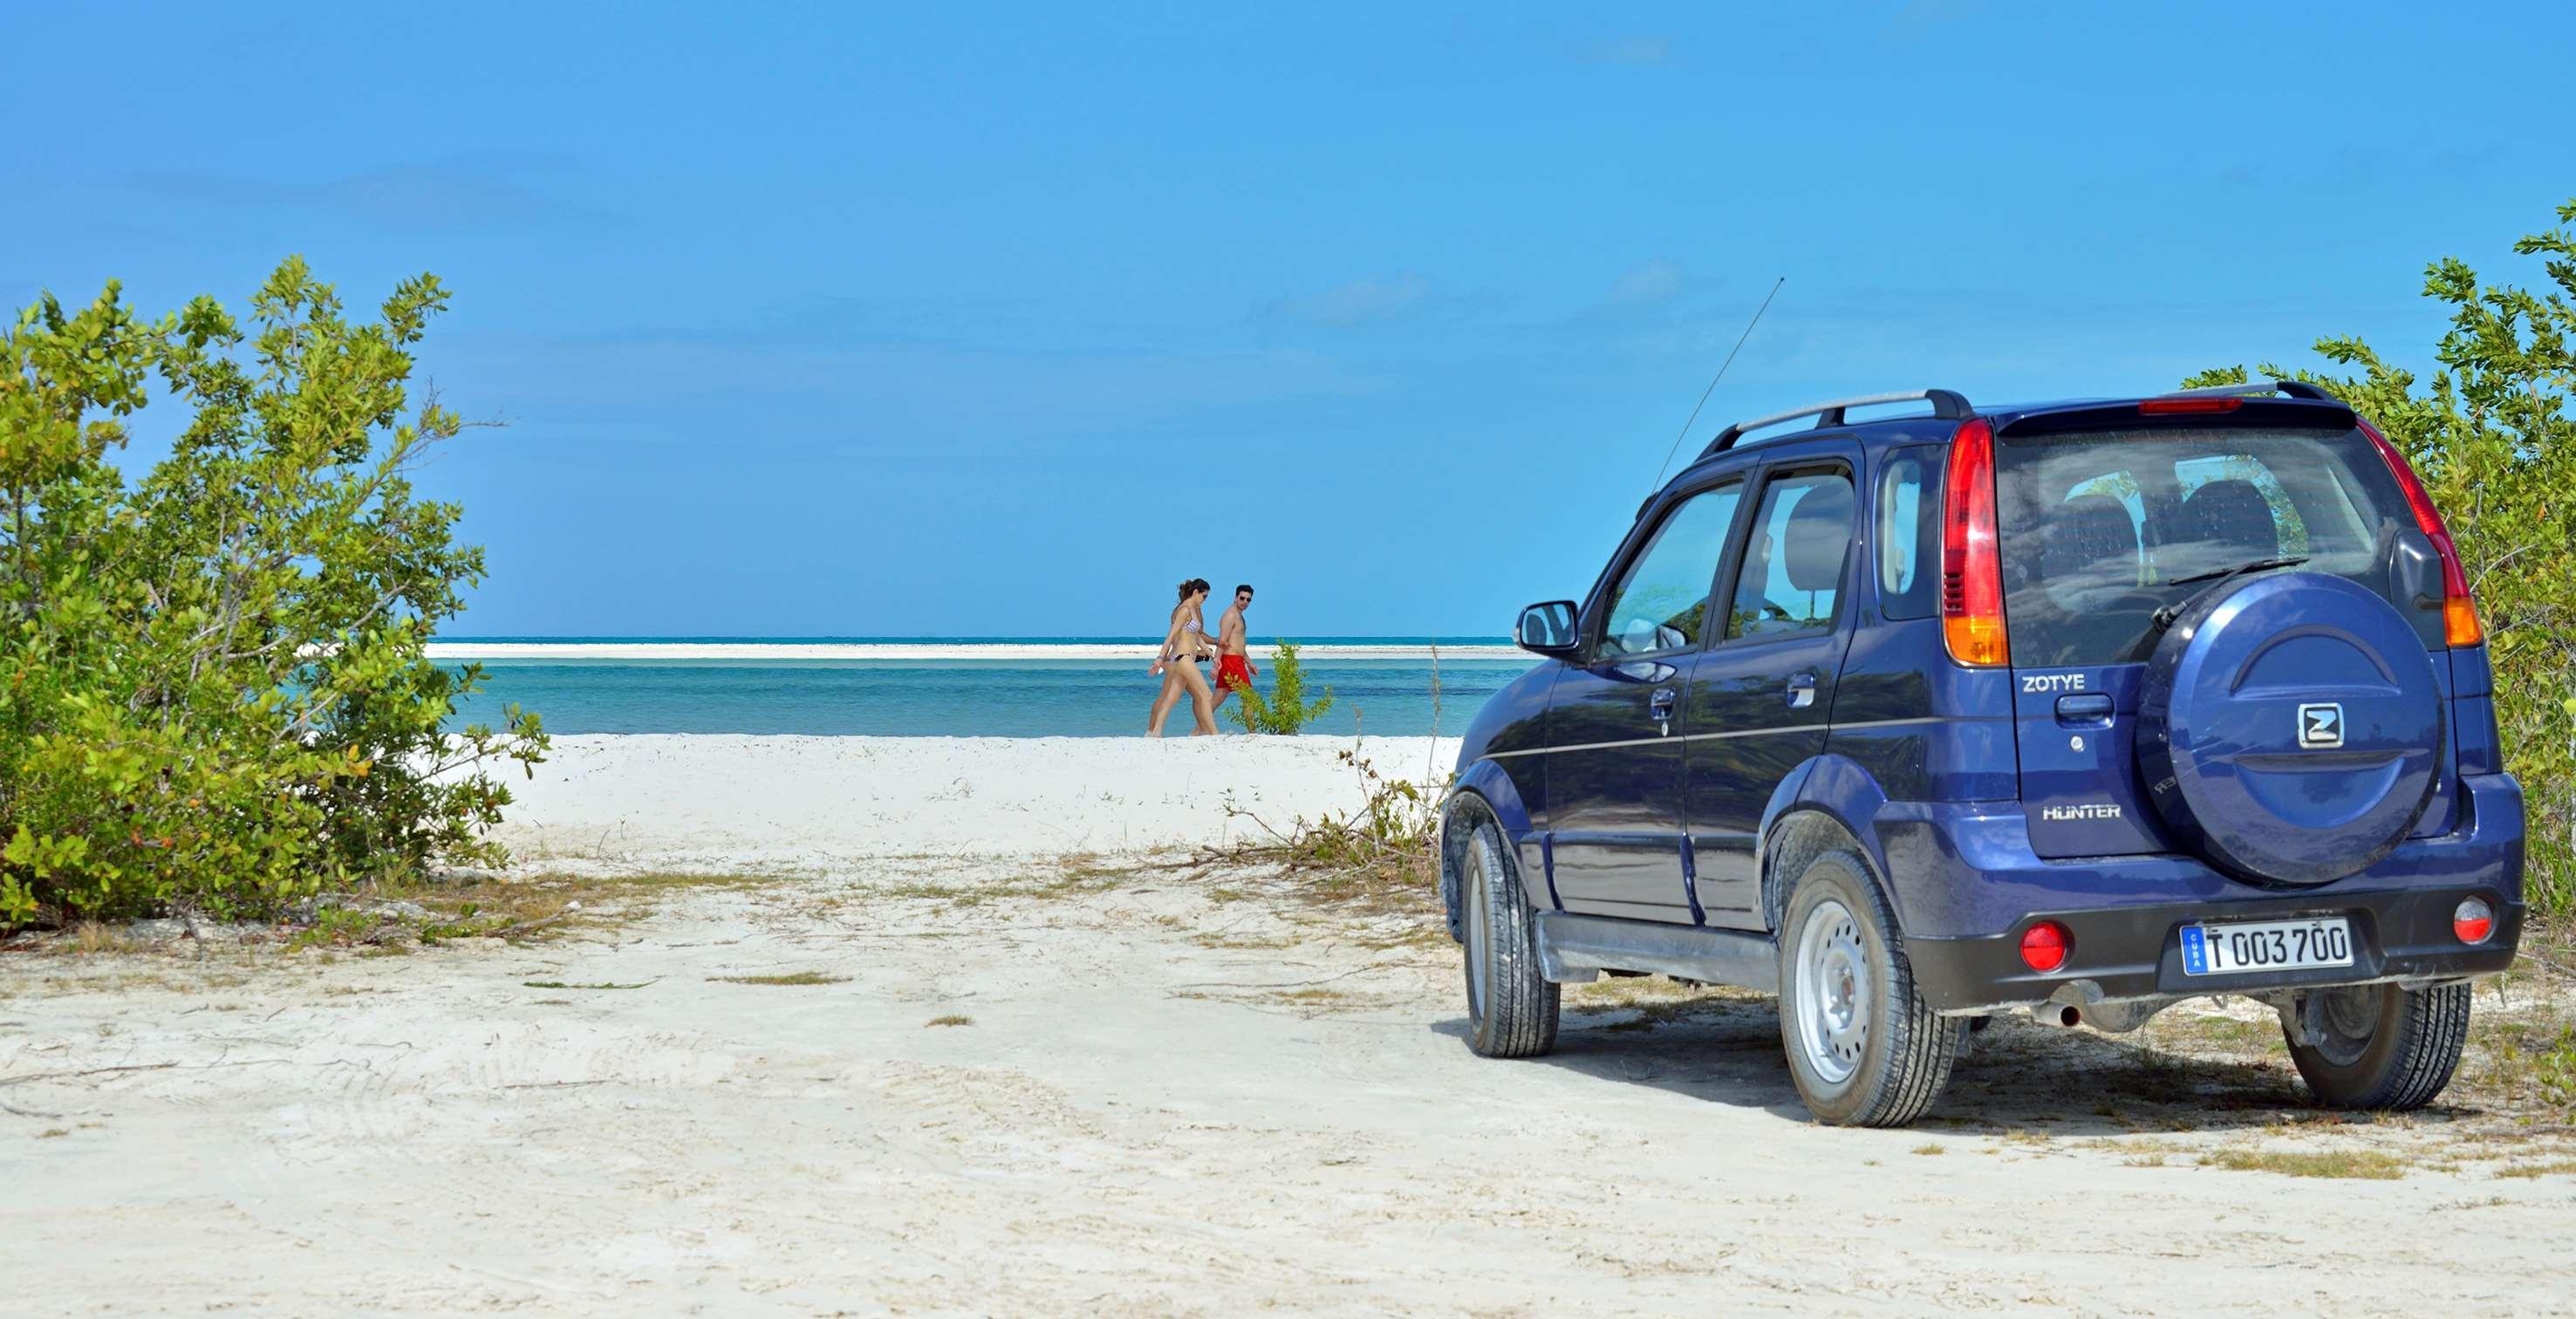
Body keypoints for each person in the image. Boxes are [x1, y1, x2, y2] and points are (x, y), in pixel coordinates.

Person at [1147, 578, 1220, 736]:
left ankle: (1156, 732)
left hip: (1187, 657)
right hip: (1182, 657)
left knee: (1172, 697)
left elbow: (1197, 637)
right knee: (1206, 694)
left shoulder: (1193, 609)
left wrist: (1212, 655)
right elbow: (1171, 635)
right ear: (1196, 592)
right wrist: (1160, 659)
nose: (1205, 600)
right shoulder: (1184, 610)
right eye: (1204, 596)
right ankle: (1214, 733)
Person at [1208, 584, 1259, 714]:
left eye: (1248, 600)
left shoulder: (1239, 616)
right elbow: (1222, 642)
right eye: (1242, 598)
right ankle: (1252, 732)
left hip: (1235, 660)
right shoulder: (1231, 615)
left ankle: (1197, 731)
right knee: (1248, 696)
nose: (1245, 602)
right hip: (1231, 661)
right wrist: (1215, 666)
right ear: (1235, 597)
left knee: (1219, 696)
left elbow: (1239, 644)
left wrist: (1249, 663)